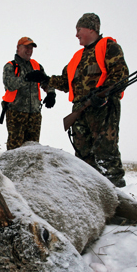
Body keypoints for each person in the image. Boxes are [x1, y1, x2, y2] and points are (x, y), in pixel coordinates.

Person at [26, 14, 129, 187]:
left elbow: (121, 76)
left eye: (78, 30)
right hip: (80, 111)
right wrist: (44, 78)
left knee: (106, 154)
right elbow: (66, 82)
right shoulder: (77, 57)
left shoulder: (108, 47)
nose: (76, 35)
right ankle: (88, 193)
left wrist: (101, 94)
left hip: (102, 108)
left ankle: (117, 198)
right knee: (82, 158)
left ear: (91, 29)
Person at [2, 37, 56, 150]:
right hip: (16, 114)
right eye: (26, 47)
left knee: (33, 150)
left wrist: (51, 93)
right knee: (14, 150)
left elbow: (46, 81)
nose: (29, 50)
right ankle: (12, 168)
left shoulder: (36, 66)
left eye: (31, 48)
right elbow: (10, 85)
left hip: (34, 115)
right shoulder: (10, 66)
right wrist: (25, 78)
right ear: (18, 48)